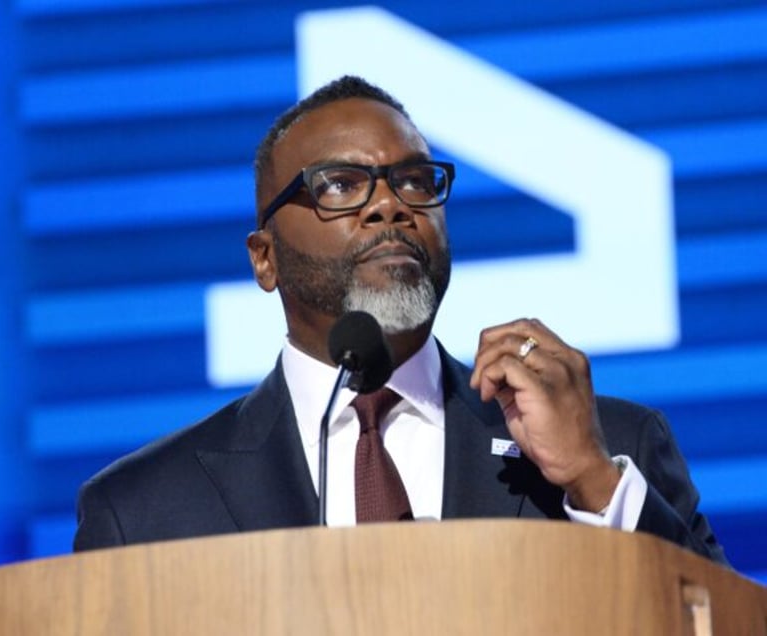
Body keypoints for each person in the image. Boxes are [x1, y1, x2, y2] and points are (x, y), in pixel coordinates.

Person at [73, 75, 726, 564]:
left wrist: (591, 481)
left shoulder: (614, 448)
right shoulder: (144, 510)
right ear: (264, 260)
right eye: (339, 185)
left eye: (415, 180)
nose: (389, 204)